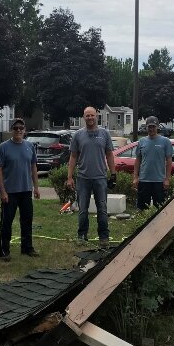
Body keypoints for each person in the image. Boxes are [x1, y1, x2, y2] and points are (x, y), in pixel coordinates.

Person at [66, 106, 116, 247]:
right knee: (83, 209)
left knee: (102, 208)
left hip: (100, 178)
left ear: (97, 116)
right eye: (87, 116)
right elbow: (73, 156)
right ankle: (82, 235)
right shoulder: (78, 135)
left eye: (92, 115)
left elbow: (110, 155)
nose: (90, 118)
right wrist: (69, 177)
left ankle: (104, 237)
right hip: (83, 178)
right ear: (84, 117)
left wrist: (113, 174)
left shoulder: (104, 134)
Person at [0, 118, 40, 262]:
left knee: (27, 220)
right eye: (16, 128)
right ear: (12, 130)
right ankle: (4, 250)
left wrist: (36, 187)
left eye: (21, 128)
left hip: (26, 190)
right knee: (6, 222)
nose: (19, 131)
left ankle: (27, 247)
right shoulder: (4, 147)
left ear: (25, 130)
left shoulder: (29, 146)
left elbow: (33, 167)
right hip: (10, 191)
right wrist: (2, 191)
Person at [133, 116, 173, 209]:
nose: (151, 129)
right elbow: (138, 160)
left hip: (159, 181)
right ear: (146, 127)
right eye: (149, 127)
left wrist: (167, 179)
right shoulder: (142, 141)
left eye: (153, 126)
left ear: (157, 127)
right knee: (142, 209)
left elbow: (169, 161)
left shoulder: (165, 141)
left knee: (159, 209)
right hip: (144, 180)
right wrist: (135, 177)